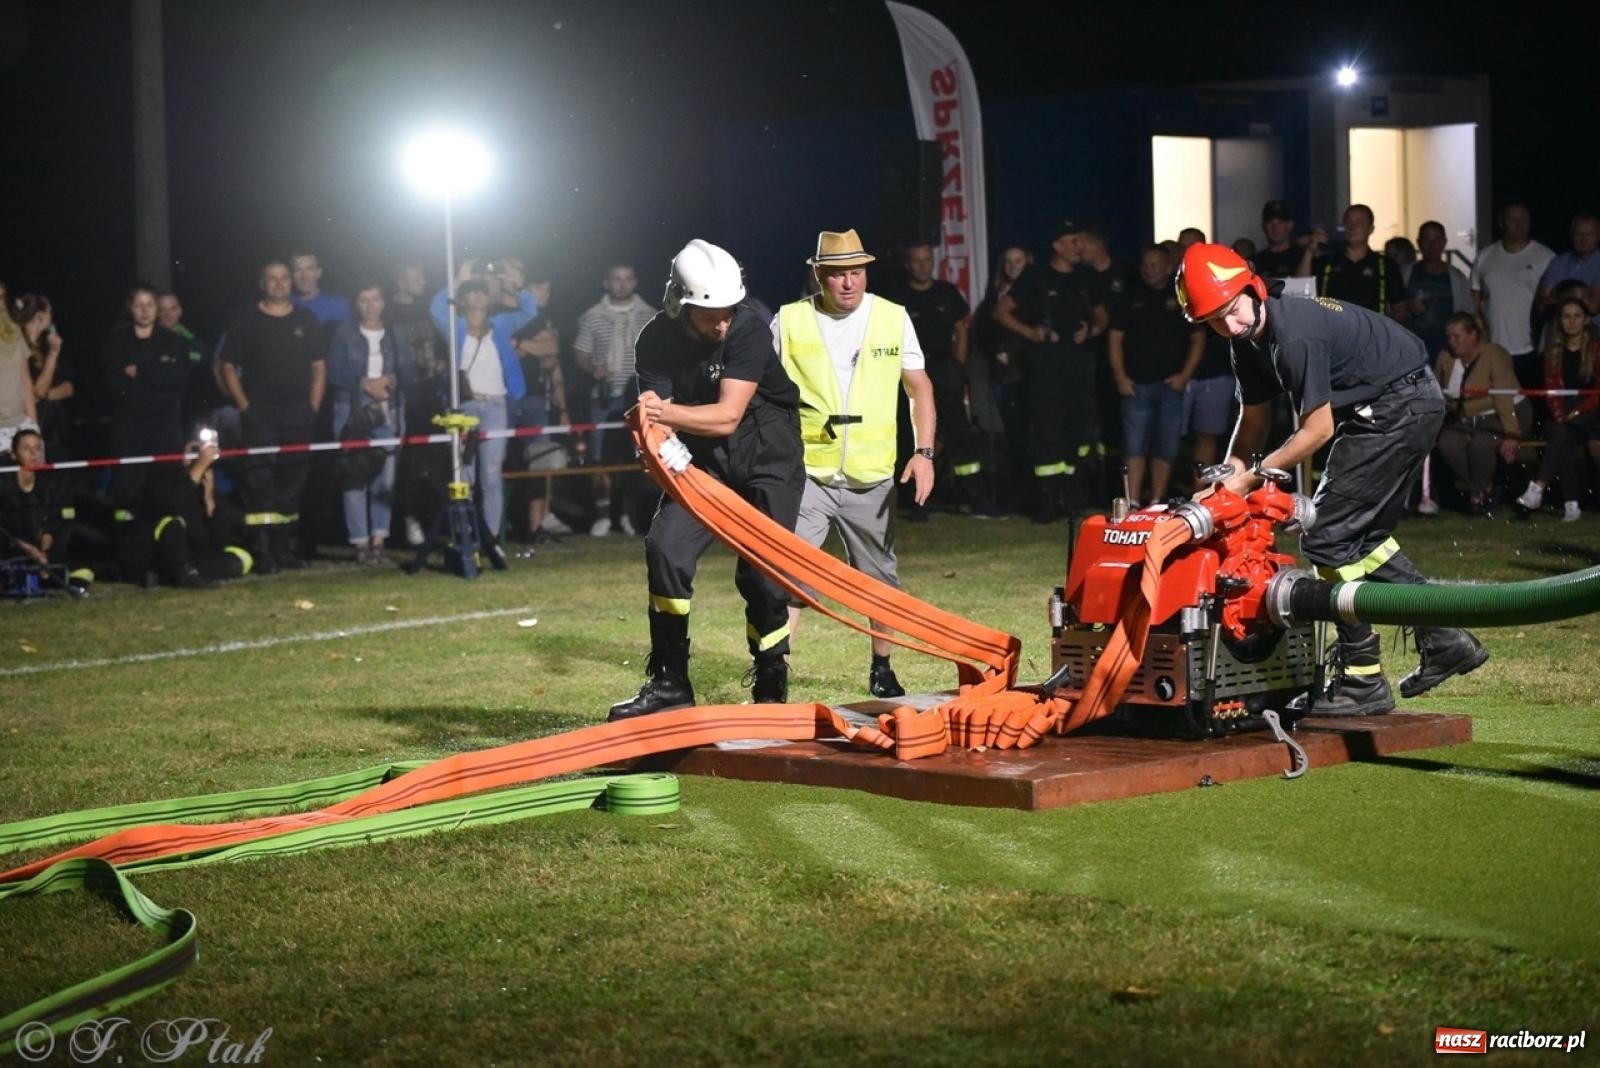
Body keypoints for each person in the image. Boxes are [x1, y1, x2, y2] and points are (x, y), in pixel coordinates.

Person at [1175, 242, 1489, 716]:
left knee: (1324, 535)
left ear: (1253, 288)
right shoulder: (1247, 340)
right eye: (1215, 321)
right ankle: (1444, 638)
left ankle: (1363, 679)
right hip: (1394, 402)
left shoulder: (1293, 334)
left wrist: (1253, 480)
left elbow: (1316, 430)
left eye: (1234, 311)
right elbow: (1254, 419)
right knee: (1363, 540)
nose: (1230, 326)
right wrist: (1227, 479)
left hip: (1399, 404)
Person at [607, 240, 805, 719]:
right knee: (666, 547)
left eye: (727, 311)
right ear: (679, 302)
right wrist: (650, 445)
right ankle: (670, 679)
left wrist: (662, 415)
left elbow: (727, 417)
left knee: (762, 574)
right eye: (709, 313)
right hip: (703, 462)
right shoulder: (654, 339)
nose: (721, 322)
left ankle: (771, 677)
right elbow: (657, 425)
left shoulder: (749, 330)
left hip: (767, 455)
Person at [774, 228, 935, 699]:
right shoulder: (788, 321)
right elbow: (758, 390)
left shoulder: (892, 316)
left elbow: (919, 387)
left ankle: (882, 668)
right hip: (809, 471)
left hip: (872, 472)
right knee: (791, 573)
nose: (849, 283)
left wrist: (924, 453)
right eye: (839, 274)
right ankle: (775, 671)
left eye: (857, 272)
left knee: (879, 578)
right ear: (818, 275)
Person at [992, 219, 1108, 521]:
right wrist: (1032, 333)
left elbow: (1102, 315)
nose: (1079, 246)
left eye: (1081, 241)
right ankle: (1047, 500)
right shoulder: (1035, 277)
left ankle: (1072, 498)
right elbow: (1001, 311)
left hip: (1079, 364)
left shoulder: (1086, 277)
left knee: (1077, 430)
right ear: (1057, 245)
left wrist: (1093, 330)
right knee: (1047, 430)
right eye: (1073, 241)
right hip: (1045, 366)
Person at [220, 260, 327, 573]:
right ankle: (262, 550)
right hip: (260, 416)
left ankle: (284, 548)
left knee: (292, 482)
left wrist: (312, 408)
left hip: (298, 415)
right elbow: (227, 366)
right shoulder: (246, 319)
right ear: (262, 283)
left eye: (284, 278)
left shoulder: (306, 319)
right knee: (258, 482)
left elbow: (319, 367)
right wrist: (246, 409)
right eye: (272, 278)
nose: (279, 284)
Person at [428, 264, 537, 550]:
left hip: (495, 406)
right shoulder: (453, 324)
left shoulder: (501, 324)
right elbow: (435, 307)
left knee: (490, 475)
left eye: (482, 292)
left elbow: (529, 311)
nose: (477, 297)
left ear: (489, 299)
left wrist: (515, 285)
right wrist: (457, 280)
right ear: (463, 300)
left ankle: (490, 539)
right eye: (470, 293)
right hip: (464, 406)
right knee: (465, 474)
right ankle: (466, 537)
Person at [887, 241, 994, 517]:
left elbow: (961, 329)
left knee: (960, 434)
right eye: (917, 260)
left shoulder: (947, 293)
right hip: (910, 373)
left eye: (927, 260)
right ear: (907, 264)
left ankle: (977, 501)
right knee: (911, 437)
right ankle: (917, 504)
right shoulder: (897, 297)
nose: (923, 266)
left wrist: (957, 366)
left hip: (945, 369)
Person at [1107, 245, 1204, 504]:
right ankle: (1133, 501)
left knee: (1166, 447)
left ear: (1168, 267)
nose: (1147, 270)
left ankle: (1157, 502)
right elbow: (1115, 339)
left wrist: (1184, 376)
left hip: (1170, 387)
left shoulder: (1181, 298)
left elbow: (1198, 339)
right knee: (1134, 446)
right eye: (1145, 265)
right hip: (1136, 386)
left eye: (1154, 265)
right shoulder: (1130, 297)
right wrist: (1120, 377)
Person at [327, 282, 409, 563]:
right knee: (355, 475)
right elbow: (334, 372)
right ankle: (360, 543)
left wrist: (389, 382)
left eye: (375, 299)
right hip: (352, 410)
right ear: (357, 304)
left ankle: (378, 540)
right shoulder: (344, 333)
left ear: (383, 303)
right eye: (364, 300)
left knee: (384, 478)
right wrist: (363, 384)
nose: (370, 305)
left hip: (388, 408)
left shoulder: (396, 334)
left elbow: (409, 371)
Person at [573, 262, 656, 536]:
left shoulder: (649, 315)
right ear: (607, 282)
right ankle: (603, 514)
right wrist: (591, 369)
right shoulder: (592, 316)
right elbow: (581, 353)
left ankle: (630, 516)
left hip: (641, 397)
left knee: (638, 458)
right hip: (605, 397)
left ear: (635, 282)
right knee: (602, 459)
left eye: (627, 279)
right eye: (616, 279)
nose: (622, 284)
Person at [103, 284, 192, 518]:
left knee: (165, 488)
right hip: (128, 427)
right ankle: (126, 541)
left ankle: (169, 539)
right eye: (138, 305)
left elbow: (176, 379)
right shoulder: (117, 341)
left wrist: (141, 371)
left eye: (149, 304)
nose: (144, 310)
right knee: (127, 488)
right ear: (130, 309)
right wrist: (155, 377)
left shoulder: (174, 341)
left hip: (164, 427)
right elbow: (113, 383)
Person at [122, 434, 252, 589]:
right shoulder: (162, 481)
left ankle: (183, 574)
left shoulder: (205, 486)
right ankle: (181, 573)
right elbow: (174, 506)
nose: (196, 454)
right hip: (156, 553)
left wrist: (209, 499)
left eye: (199, 449)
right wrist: (200, 465)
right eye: (191, 449)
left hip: (192, 556)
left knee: (242, 558)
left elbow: (215, 542)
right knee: (170, 522)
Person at [1515, 298, 1600, 522]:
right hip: (1565, 412)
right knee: (1562, 436)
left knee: (1562, 434)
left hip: (1593, 410)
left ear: (1586, 320)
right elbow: (1551, 389)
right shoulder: (1554, 352)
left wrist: (1576, 413)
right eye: (1566, 316)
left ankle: (1539, 488)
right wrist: (1561, 415)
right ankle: (1571, 506)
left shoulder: (1596, 348)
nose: (1572, 321)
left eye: (1577, 316)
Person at [1433, 313, 1526, 515]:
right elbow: (1439, 391)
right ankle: (1478, 488)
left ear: (1473, 334)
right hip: (1465, 416)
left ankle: (1480, 494)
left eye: (1457, 337)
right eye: (1449, 337)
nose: (1452, 342)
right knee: (1448, 443)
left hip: (1503, 414)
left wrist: (1512, 434)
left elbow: (1503, 396)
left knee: (1481, 444)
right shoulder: (1446, 357)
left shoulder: (1494, 354)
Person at [1471, 202, 1555, 390]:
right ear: (1501, 223)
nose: (1519, 224)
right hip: (1494, 349)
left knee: (1533, 408)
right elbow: (1475, 300)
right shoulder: (1485, 256)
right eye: (1513, 219)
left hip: (1532, 350)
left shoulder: (1546, 257)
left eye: (1524, 219)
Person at [1391, 222, 1473, 360]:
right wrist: (1408, 307)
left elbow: (1468, 316)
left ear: (1444, 242)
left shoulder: (1457, 278)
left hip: (1447, 354)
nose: (1432, 244)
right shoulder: (1405, 274)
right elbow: (1391, 311)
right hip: (1410, 353)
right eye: (1426, 239)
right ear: (1418, 242)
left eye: (1437, 239)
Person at [1302, 204, 1402, 315]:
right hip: (1333, 329)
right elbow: (1300, 290)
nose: (1352, 226)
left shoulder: (1386, 265)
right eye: (1348, 222)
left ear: (1371, 229)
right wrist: (1309, 251)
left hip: (1371, 330)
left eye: (1359, 222)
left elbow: (1399, 308)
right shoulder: (1326, 262)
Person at [16, 294, 73, 459]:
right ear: (39, 317)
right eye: (50, 312)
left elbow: (69, 388)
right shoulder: (18, 349)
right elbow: (38, 389)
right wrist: (53, 355)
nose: (52, 317)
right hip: (29, 430)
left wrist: (46, 395)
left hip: (55, 431)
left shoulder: (48, 344)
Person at [0, 283, 38, 458]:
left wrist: (33, 425)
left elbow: (25, 379)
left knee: (27, 482)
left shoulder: (14, 331)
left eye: (1, 297)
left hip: (19, 424)